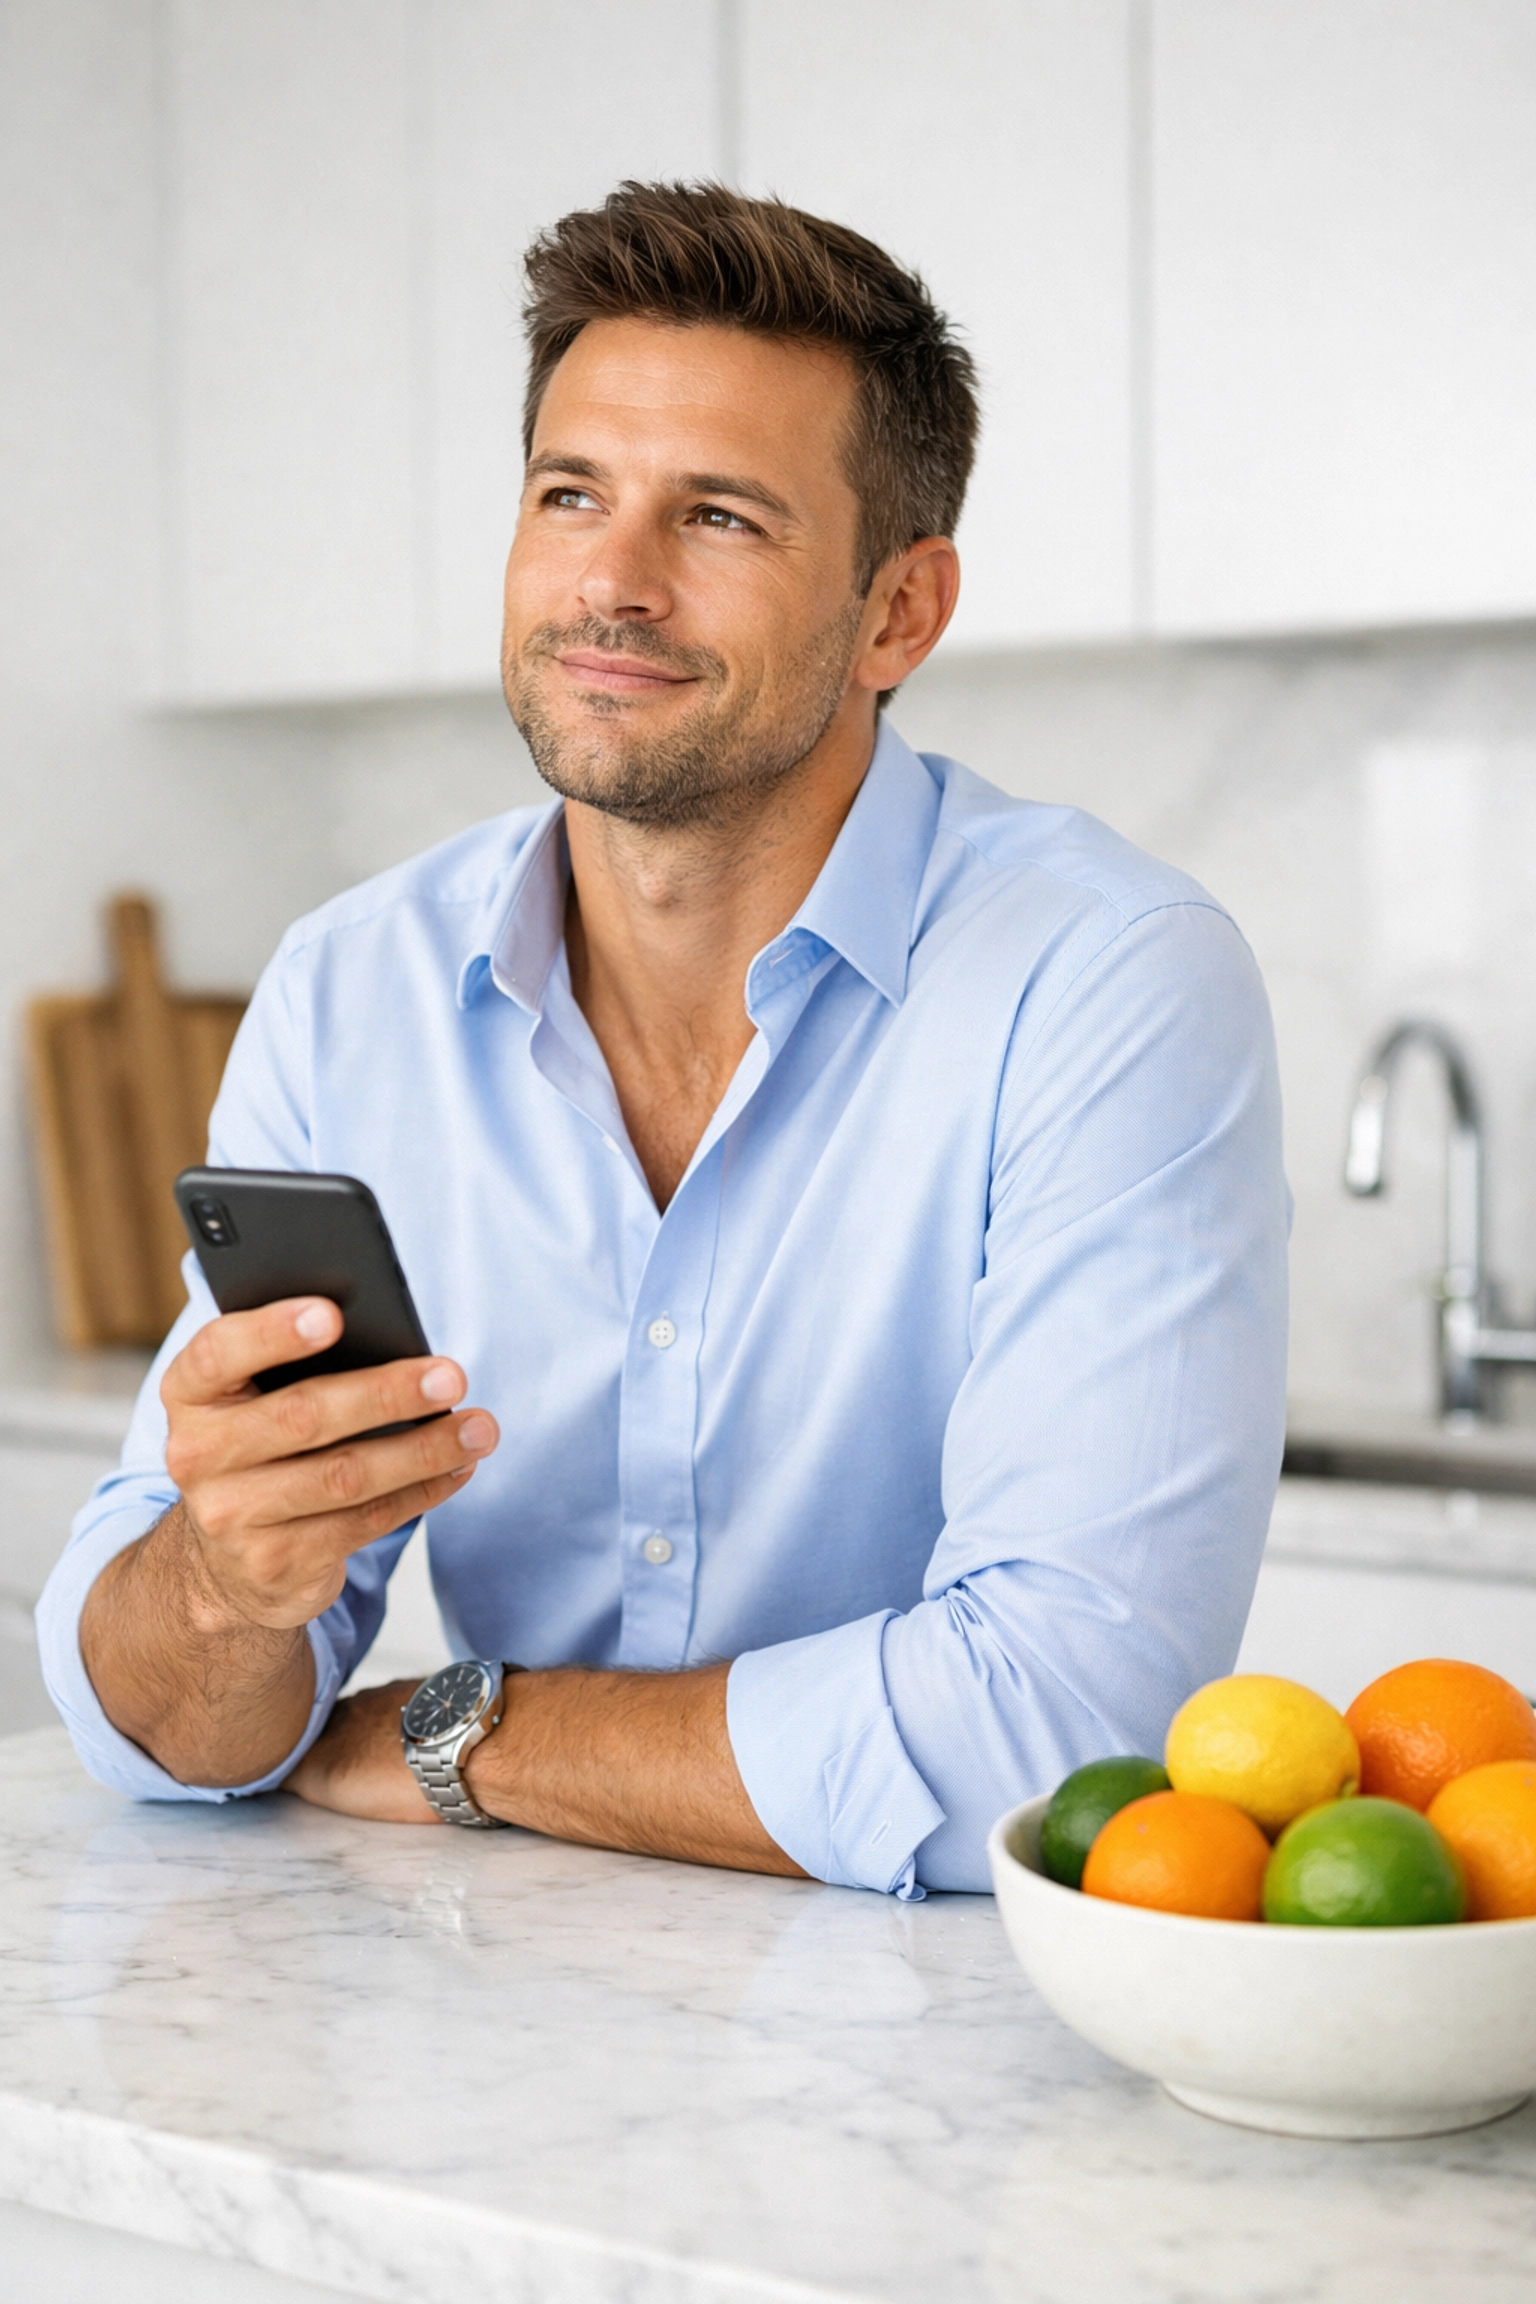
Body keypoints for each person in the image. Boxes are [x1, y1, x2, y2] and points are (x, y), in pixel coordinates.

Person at [38, 182, 1288, 1898]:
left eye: (718, 517)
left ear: (899, 614)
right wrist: (223, 1584)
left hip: (950, 2052)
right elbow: (155, 1735)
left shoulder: (1107, 980)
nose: (611, 584)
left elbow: (1064, 1720)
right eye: (570, 495)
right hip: (504, 2034)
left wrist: (468, 1735)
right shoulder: (351, 992)